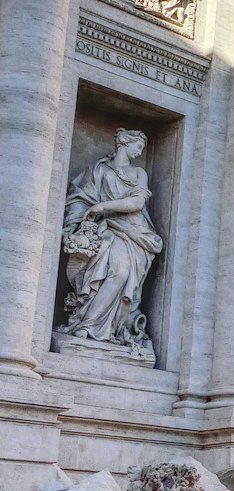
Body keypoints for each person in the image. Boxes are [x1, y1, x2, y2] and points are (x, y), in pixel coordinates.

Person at [60, 129, 163, 355]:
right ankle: (87, 326)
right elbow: (80, 197)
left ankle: (105, 329)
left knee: (121, 274)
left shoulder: (138, 173)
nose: (139, 151)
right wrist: (82, 218)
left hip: (135, 232)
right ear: (125, 143)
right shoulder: (98, 170)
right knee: (106, 272)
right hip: (106, 229)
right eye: (138, 146)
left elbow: (137, 203)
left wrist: (103, 207)